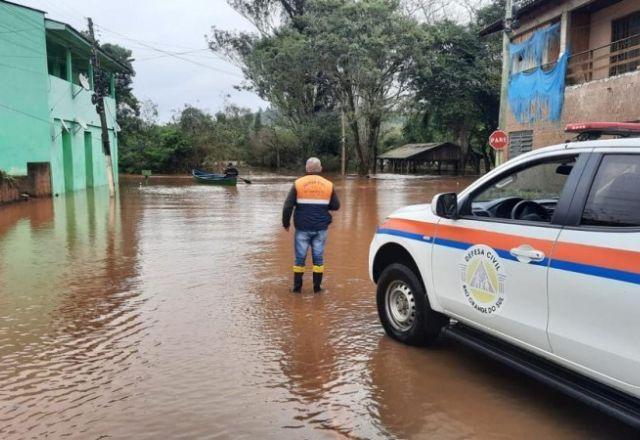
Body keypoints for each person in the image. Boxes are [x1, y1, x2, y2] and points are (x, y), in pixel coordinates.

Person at [282, 157, 340, 293]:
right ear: (320, 169)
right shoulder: (329, 185)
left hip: (302, 228)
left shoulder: (298, 184)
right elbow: (336, 206)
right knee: (318, 258)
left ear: (307, 169)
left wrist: (286, 223)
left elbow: (288, 206)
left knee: (300, 258)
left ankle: (297, 289)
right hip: (321, 228)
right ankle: (317, 288)